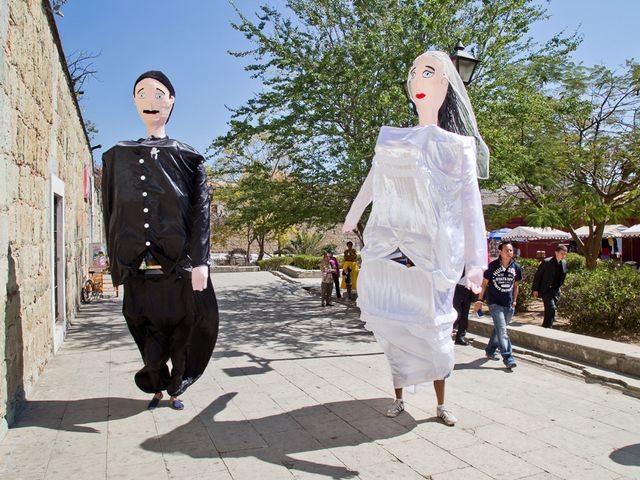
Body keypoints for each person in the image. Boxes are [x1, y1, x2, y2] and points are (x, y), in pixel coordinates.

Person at [342, 51, 489, 426]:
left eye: (429, 73)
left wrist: (476, 262)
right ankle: (399, 396)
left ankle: (440, 403)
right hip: (391, 246)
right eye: (414, 73)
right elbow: (373, 182)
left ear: (445, 84)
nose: (418, 81)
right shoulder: (393, 139)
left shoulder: (457, 147)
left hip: (433, 254)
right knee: (394, 326)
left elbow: (471, 206)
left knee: (435, 328)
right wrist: (353, 214)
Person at [102, 71, 219, 411]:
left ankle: (176, 385)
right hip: (139, 263)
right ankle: (155, 381)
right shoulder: (117, 157)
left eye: (158, 94)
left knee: (184, 324)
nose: (150, 102)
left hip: (178, 263)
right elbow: (110, 210)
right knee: (144, 322)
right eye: (141, 94)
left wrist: (201, 262)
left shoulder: (188, 157)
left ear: (171, 101)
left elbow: (201, 211)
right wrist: (116, 264)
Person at [475, 241, 521, 369]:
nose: (509, 252)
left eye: (511, 250)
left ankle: (490, 350)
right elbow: (484, 284)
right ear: (500, 251)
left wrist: (515, 301)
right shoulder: (492, 266)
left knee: (499, 330)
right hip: (495, 303)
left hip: (508, 304)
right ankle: (508, 357)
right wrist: (480, 300)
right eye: (506, 250)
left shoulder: (516, 267)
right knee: (502, 330)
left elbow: (516, 286)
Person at [532, 244, 568, 328]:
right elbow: (538, 276)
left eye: (565, 254)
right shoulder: (547, 262)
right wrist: (535, 289)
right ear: (556, 252)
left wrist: (559, 287)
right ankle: (547, 327)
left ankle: (547, 326)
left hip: (555, 290)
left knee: (551, 310)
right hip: (546, 290)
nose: (564, 256)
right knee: (551, 308)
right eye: (562, 253)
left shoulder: (564, 263)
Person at [452, 273, 476, 346]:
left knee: (465, 315)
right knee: (457, 313)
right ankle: (446, 332)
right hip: (457, 287)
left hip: (468, 288)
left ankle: (460, 337)